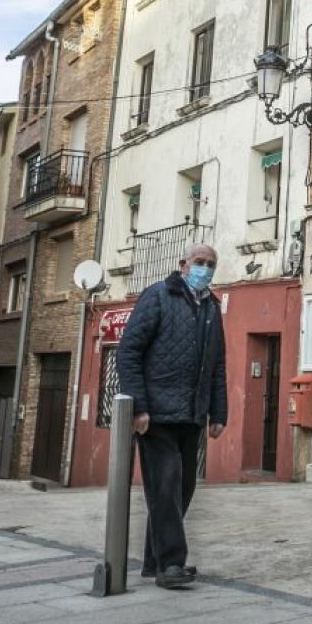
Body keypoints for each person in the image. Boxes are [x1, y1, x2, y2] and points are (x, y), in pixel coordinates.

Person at [115, 240, 228, 589]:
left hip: (191, 416)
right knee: (164, 488)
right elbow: (128, 351)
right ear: (183, 264)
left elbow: (217, 364)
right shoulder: (157, 296)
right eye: (199, 261)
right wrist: (140, 405)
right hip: (157, 415)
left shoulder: (211, 307)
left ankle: (154, 561)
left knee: (182, 490)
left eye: (210, 264)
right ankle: (172, 565)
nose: (205, 269)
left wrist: (218, 412)